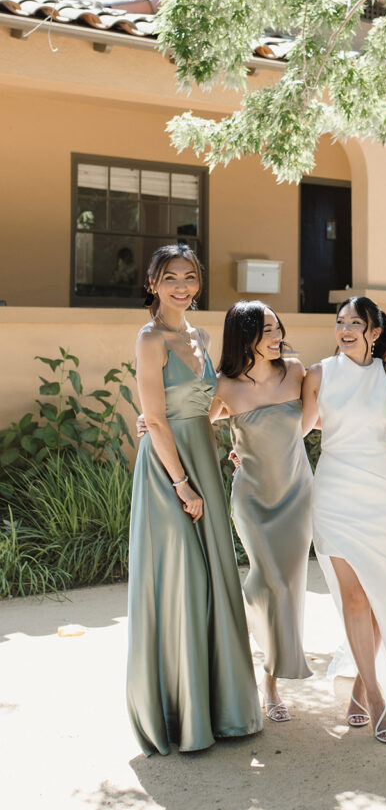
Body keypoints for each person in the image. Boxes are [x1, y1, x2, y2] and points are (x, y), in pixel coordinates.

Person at [127, 243, 261, 756]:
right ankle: (181, 717)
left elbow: (205, 408)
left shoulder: (201, 336)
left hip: (201, 456)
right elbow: (156, 417)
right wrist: (181, 482)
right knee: (184, 582)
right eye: (170, 278)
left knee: (213, 578)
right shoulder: (150, 338)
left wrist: (221, 441)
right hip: (169, 470)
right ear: (153, 284)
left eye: (189, 277)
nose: (181, 286)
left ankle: (221, 709)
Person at [302, 296, 386, 744]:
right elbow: (298, 427)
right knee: (353, 599)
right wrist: (245, 443)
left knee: (381, 595)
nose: (345, 329)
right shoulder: (317, 374)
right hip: (334, 491)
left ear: (374, 331)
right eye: (339, 322)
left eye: (355, 323)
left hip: (382, 492)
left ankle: (360, 691)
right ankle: (377, 698)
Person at [210, 301, 313, 722]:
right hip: (252, 498)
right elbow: (196, 422)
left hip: (296, 494)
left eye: (276, 329)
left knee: (287, 584)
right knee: (266, 581)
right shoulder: (225, 385)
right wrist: (151, 421)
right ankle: (267, 677)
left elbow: (311, 421)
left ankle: (270, 674)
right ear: (243, 335)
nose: (275, 337)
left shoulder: (296, 371)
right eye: (265, 330)